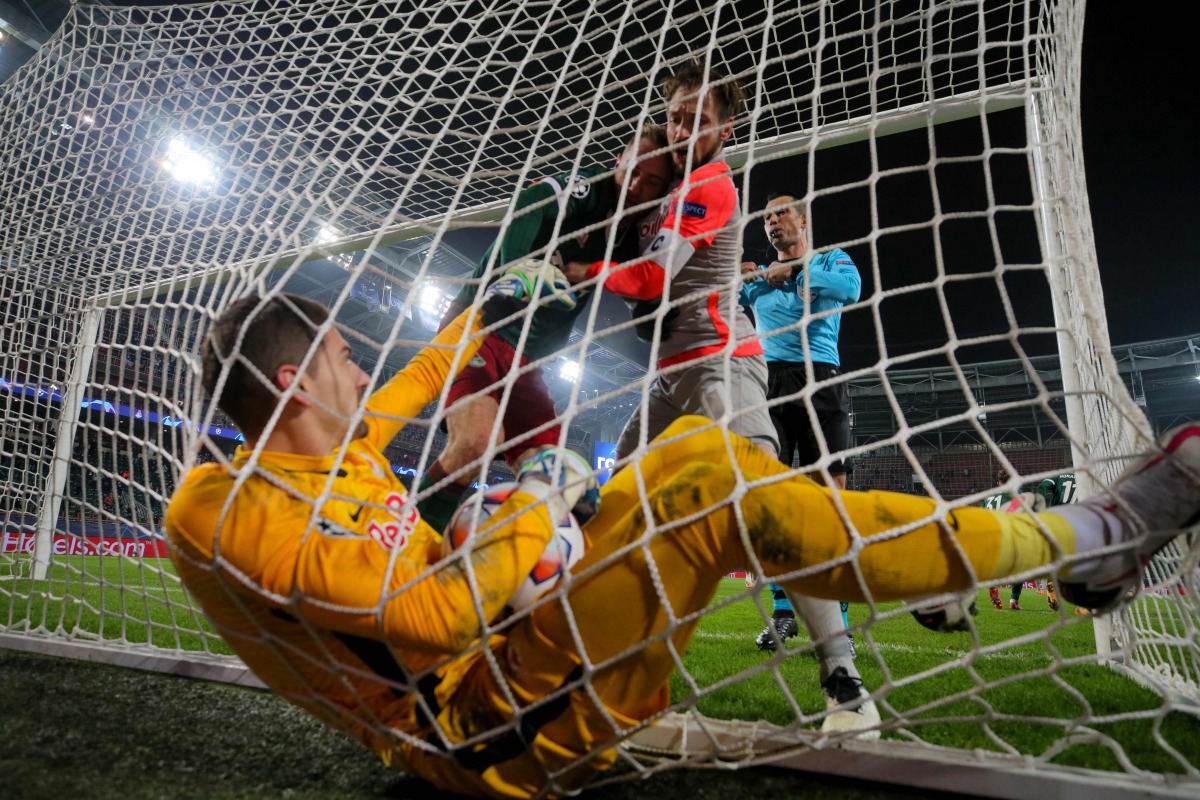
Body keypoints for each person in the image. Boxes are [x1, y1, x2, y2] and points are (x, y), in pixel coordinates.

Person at [165, 288, 1200, 800]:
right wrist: (535, 481)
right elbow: (428, 616)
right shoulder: (218, 508)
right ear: (297, 384)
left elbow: (433, 366)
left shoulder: (338, 447)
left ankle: (1076, 544)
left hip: (518, 662)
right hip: (476, 733)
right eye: (345, 357)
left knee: (699, 449)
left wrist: (517, 285)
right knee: (702, 489)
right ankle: (1093, 537)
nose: (363, 372)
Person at [415, 125, 674, 532]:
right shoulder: (584, 190)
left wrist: (653, 318)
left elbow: (640, 290)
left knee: (560, 484)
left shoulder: (631, 236)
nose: (636, 183)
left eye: (651, 181)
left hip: (527, 366)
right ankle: (404, 542)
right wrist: (517, 267)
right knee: (476, 443)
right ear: (620, 158)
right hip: (479, 330)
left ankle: (507, 561)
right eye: (633, 168)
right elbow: (529, 202)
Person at [562, 60, 777, 463]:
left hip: (719, 360)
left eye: (697, 121)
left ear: (725, 131)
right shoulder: (672, 184)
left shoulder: (708, 182)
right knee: (622, 487)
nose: (681, 133)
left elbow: (651, 279)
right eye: (675, 119)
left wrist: (586, 272)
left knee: (754, 471)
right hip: (672, 372)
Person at [739, 191, 862, 659]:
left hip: (821, 381)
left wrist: (794, 271)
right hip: (768, 383)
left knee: (829, 503)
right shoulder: (758, 278)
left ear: (803, 221)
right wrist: (737, 274)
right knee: (769, 500)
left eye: (781, 213)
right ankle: (784, 611)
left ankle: (839, 624)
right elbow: (721, 298)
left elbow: (850, 292)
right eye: (767, 217)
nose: (772, 222)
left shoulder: (832, 259)